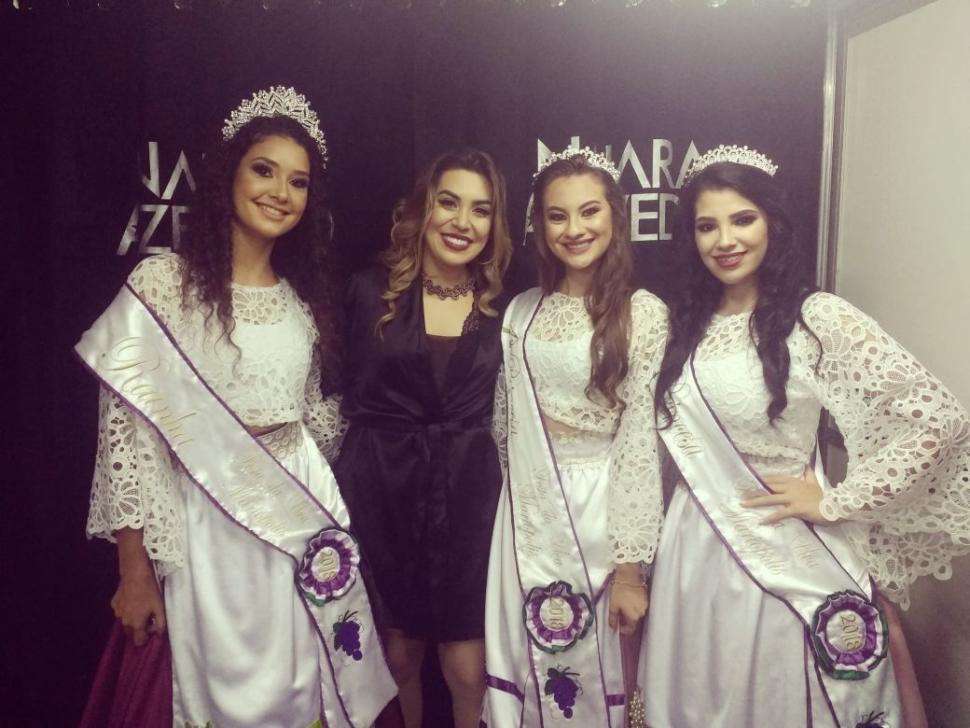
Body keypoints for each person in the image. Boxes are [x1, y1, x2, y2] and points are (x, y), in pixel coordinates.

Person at [77, 86, 395, 728]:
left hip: (293, 528)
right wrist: (133, 571)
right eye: (264, 170)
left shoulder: (300, 305)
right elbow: (126, 438)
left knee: (302, 685)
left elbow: (310, 423)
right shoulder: (163, 284)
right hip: (205, 530)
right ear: (229, 176)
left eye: (298, 182)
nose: (281, 192)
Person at [641, 145, 970, 727]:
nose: (725, 240)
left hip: (785, 543)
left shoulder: (816, 317)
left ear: (772, 222)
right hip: (693, 545)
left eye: (743, 219)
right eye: (707, 226)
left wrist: (837, 500)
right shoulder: (682, 324)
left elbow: (938, 418)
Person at [482, 148, 667, 727]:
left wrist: (630, 569)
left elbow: (640, 443)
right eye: (557, 215)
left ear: (615, 216)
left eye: (590, 211)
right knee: (528, 659)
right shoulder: (521, 312)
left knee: (599, 669)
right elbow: (504, 425)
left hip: (601, 512)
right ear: (540, 226)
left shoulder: (643, 313)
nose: (575, 229)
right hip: (525, 510)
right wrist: (526, 502)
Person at [333, 149, 512, 728]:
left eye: (480, 210)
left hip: (469, 496)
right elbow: (332, 393)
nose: (463, 222)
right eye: (448, 203)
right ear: (422, 209)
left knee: (469, 668)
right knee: (397, 658)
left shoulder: (504, 307)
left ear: (494, 224)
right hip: (381, 488)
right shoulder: (367, 291)